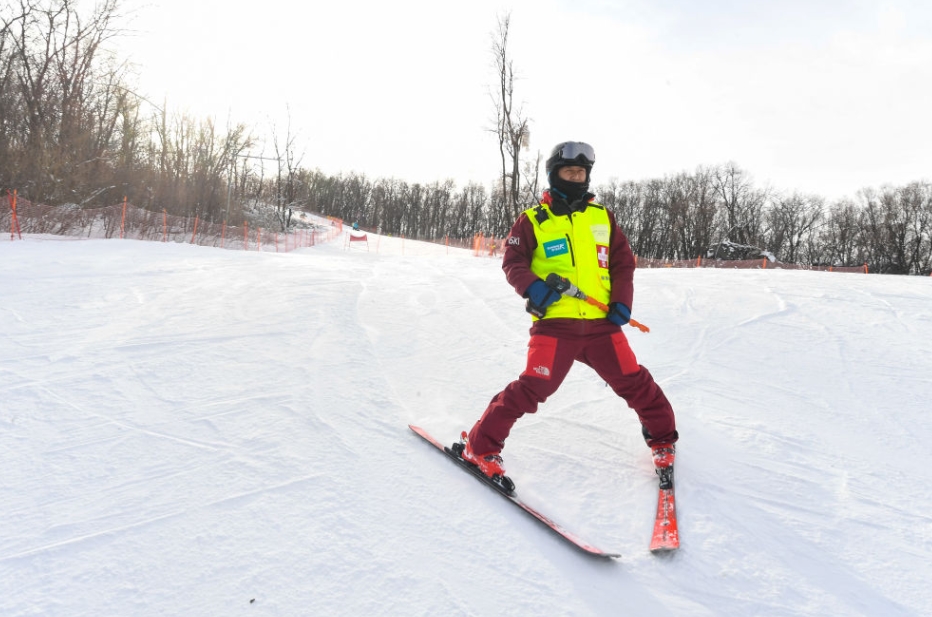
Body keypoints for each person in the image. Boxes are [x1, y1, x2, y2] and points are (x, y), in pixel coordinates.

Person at [460, 141, 679, 485]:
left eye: (581, 172)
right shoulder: (533, 220)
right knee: (533, 387)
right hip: (556, 324)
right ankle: (480, 446)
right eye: (568, 172)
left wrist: (622, 300)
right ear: (554, 175)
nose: (576, 177)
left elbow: (623, 263)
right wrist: (533, 288)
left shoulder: (602, 217)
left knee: (634, 380)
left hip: (601, 325)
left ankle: (663, 440)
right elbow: (513, 262)